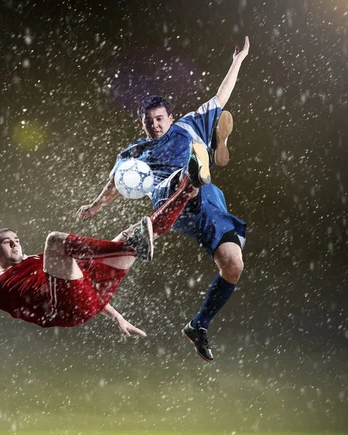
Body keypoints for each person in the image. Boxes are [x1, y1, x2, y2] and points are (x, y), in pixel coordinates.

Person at [0, 173, 202, 401]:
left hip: (90, 295)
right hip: (64, 308)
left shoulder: (40, 261)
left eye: (16, 238)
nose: (15, 243)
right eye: (6, 242)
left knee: (137, 230)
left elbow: (77, 280)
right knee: (55, 241)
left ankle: (186, 190)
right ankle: (129, 246)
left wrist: (118, 317)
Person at [76, 37, 250, 362]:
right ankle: (195, 170)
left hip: (208, 204)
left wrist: (237, 60)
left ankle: (198, 326)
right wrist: (96, 206)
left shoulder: (187, 125)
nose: (155, 125)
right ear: (142, 124)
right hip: (169, 199)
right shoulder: (136, 151)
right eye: (148, 121)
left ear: (170, 117)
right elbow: (116, 182)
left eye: (159, 119)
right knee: (184, 181)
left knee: (233, 265)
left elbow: (220, 96)